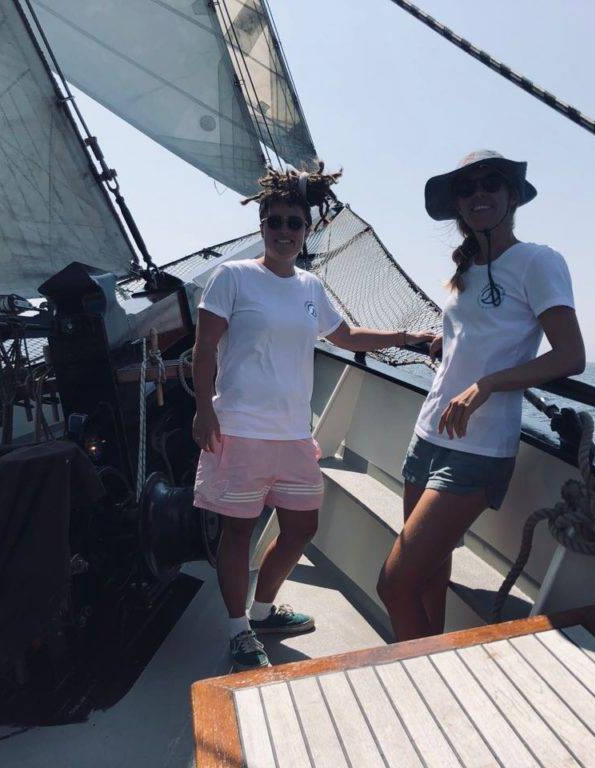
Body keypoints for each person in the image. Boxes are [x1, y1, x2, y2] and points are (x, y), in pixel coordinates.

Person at [191, 164, 435, 670]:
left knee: (302, 527)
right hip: (239, 429)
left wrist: (406, 337)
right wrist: (203, 410)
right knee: (238, 534)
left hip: (293, 435)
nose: (284, 231)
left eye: (294, 223)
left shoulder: (310, 287)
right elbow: (205, 347)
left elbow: (345, 337)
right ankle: (239, 631)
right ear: (262, 225)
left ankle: (262, 612)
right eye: (275, 221)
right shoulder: (233, 277)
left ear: (306, 230)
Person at [377, 150, 586, 641]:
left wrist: (487, 383)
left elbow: (570, 356)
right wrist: (446, 341)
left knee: (394, 584)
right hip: (428, 434)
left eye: (491, 183)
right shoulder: (466, 271)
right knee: (427, 576)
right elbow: (478, 334)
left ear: (512, 196)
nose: (478, 195)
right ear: (457, 205)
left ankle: (418, 675)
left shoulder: (537, 261)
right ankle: (433, 665)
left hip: (479, 448)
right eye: (466, 189)